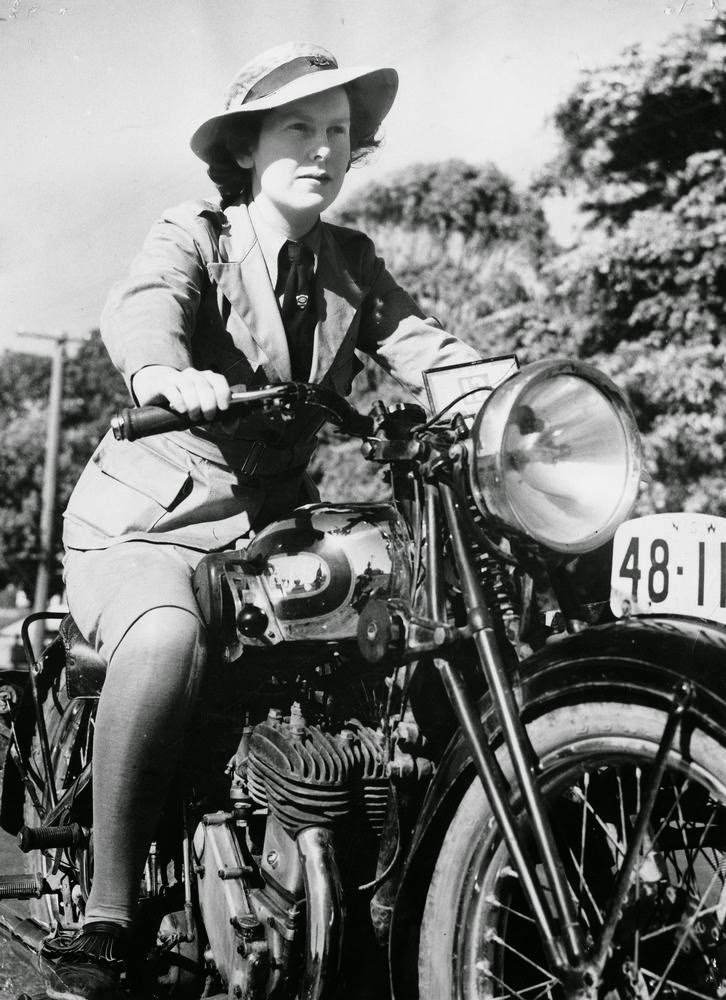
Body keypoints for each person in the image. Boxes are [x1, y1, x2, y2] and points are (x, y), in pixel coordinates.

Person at [43, 41, 481, 998]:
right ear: (246, 148)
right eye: (298, 129)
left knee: (407, 626)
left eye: (339, 132)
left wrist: (501, 391)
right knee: (164, 637)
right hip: (153, 521)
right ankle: (107, 917)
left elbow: (427, 347)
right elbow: (149, 304)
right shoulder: (195, 232)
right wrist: (164, 373)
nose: (323, 149)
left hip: (270, 538)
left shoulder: (350, 264)